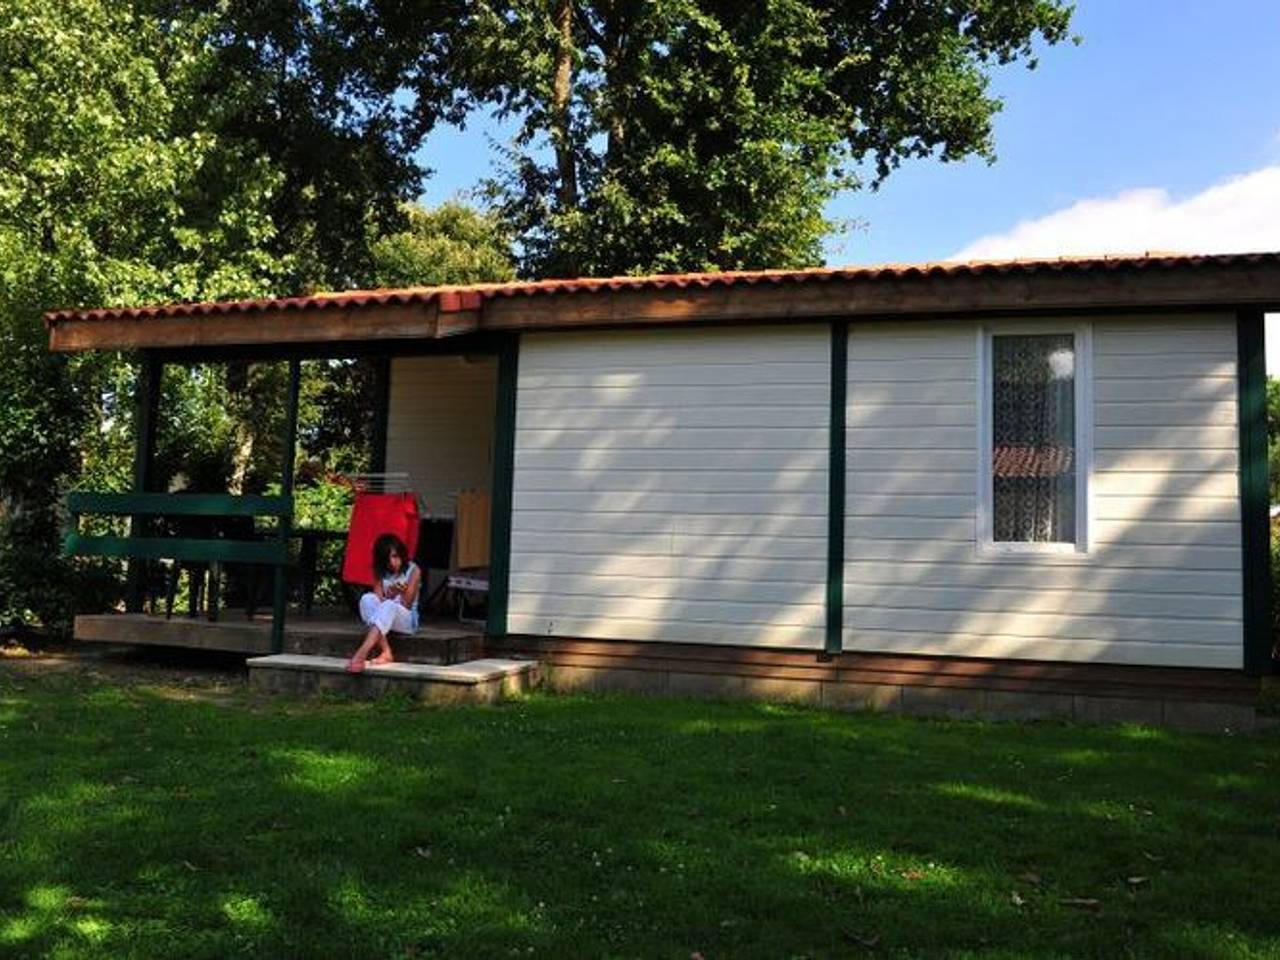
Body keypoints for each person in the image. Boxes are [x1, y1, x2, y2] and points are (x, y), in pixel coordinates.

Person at [346, 532, 420, 672]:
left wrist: (399, 593)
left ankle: (361, 653)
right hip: (385, 617)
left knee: (389, 605)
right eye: (388, 559)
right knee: (367, 599)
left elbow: (407, 605)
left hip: (407, 620)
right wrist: (391, 594)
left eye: (395, 556)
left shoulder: (413, 570)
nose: (393, 563)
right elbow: (377, 602)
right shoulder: (380, 571)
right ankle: (386, 652)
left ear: (401, 554)